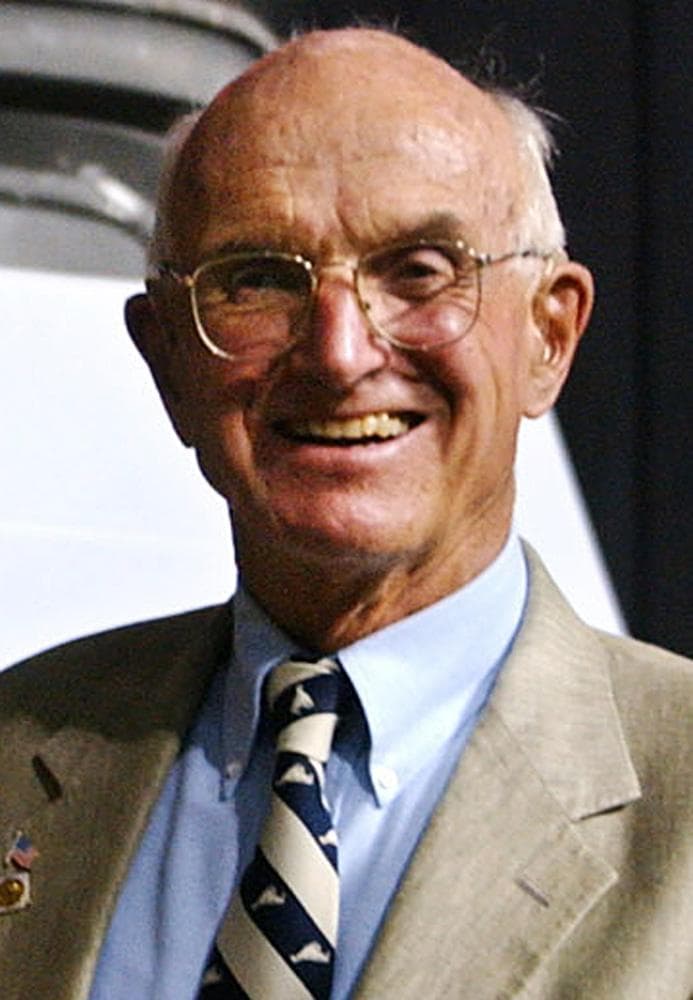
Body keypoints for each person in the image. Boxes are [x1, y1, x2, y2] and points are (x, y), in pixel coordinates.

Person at [0, 26, 691, 1000]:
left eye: (420, 270)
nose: (338, 352)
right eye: (256, 279)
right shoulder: (18, 745)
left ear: (549, 334)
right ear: (167, 361)